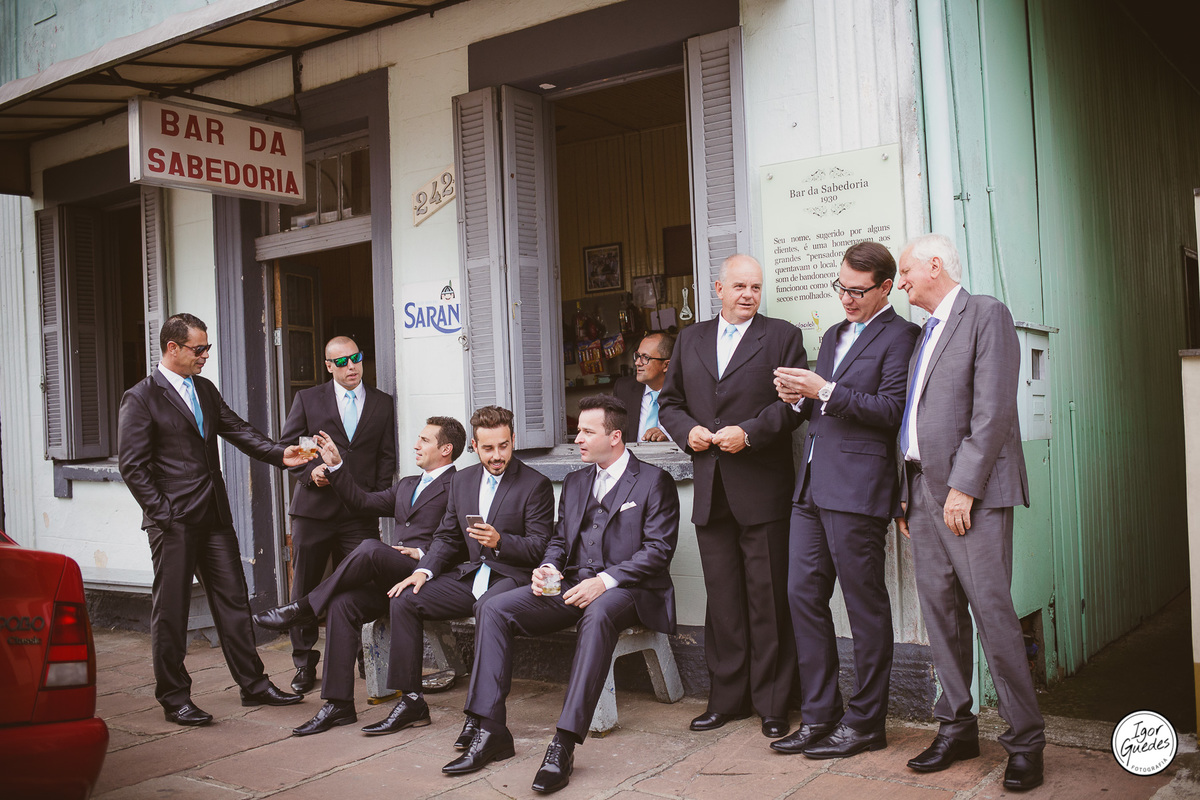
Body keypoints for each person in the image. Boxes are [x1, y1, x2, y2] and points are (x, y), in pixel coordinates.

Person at [446, 395, 680, 792]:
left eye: (587, 432)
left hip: (628, 591)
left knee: (599, 613)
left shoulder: (654, 480)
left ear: (616, 436)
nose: (578, 439)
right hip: (571, 582)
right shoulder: (574, 481)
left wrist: (604, 582)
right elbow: (558, 540)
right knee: (494, 608)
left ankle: (564, 743)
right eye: (578, 431)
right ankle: (490, 730)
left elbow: (658, 551)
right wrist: (548, 568)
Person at [894, 233, 1044, 791]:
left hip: (968, 495)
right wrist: (906, 493)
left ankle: (1026, 742)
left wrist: (963, 489)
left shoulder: (986, 314)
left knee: (992, 616)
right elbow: (914, 419)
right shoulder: (924, 335)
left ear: (935, 265)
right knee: (942, 617)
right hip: (923, 492)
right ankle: (956, 726)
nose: (902, 281)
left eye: (907, 271)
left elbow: (993, 410)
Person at [117, 313, 308, 726]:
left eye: (207, 349)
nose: (205, 356)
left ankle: (254, 686)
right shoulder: (141, 397)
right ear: (173, 348)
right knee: (172, 611)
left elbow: (235, 428)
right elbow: (133, 467)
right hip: (174, 522)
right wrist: (165, 514)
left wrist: (279, 453)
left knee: (234, 603)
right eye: (198, 349)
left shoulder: (204, 389)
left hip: (214, 516)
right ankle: (174, 698)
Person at [771, 242, 919, 758]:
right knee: (802, 597)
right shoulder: (833, 334)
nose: (847, 299)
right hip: (811, 484)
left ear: (884, 287)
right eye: (841, 288)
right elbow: (823, 406)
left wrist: (826, 390)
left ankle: (865, 725)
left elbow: (894, 409)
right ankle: (819, 717)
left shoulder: (904, 336)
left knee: (864, 607)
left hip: (858, 489)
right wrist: (798, 397)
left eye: (858, 291)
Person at [658, 253, 807, 739]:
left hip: (762, 490)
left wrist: (750, 433)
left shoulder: (781, 336)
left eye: (756, 287)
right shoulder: (691, 339)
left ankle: (772, 704)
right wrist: (689, 433)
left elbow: (795, 406)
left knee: (768, 601)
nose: (748, 295)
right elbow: (670, 403)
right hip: (711, 491)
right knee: (722, 602)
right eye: (739, 286)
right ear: (717, 289)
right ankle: (726, 701)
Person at [252, 416, 466, 735]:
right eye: (418, 439)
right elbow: (361, 502)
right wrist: (337, 466)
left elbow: (462, 541)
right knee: (343, 603)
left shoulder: (461, 486)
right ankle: (339, 705)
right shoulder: (408, 484)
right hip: (396, 577)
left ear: (446, 449)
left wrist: (422, 555)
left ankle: (304, 608)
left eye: (425, 440)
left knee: (369, 547)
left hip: (429, 576)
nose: (415, 445)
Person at [358, 406, 555, 744]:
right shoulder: (462, 481)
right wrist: (424, 570)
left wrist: (501, 542)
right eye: (489, 448)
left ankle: (478, 716)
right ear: (475, 447)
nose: (497, 455)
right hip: (470, 576)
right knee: (405, 598)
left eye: (504, 446)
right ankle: (411, 702)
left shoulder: (534, 485)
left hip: (510, 578)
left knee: (488, 609)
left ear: (512, 442)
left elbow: (540, 548)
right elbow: (448, 536)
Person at [280, 335, 397, 693]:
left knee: (362, 584)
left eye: (356, 358)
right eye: (342, 362)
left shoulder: (382, 402)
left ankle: (365, 657)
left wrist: (373, 499)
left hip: (357, 513)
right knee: (306, 585)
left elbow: (386, 457)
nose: (352, 367)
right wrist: (309, 474)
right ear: (329, 366)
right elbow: (292, 448)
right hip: (313, 510)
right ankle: (303, 663)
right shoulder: (307, 399)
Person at [613, 332, 675, 443]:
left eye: (645, 358)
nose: (637, 363)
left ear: (666, 365)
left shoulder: (686, 393)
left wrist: (668, 438)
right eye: (637, 356)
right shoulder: (623, 389)